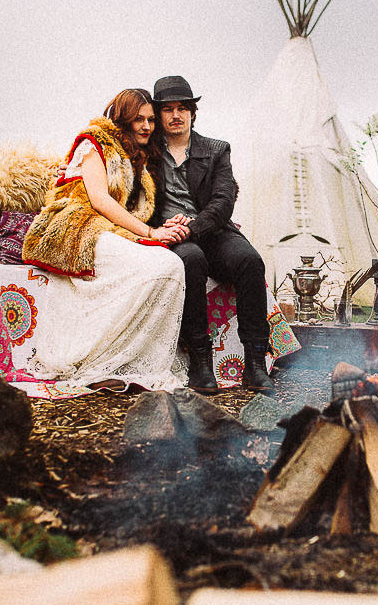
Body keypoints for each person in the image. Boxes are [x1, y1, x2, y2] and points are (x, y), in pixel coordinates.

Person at [17, 88, 191, 390]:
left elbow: (136, 206)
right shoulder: (94, 142)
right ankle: (96, 359)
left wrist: (168, 224)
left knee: (169, 265)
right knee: (163, 264)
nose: (147, 126)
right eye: (138, 119)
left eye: (151, 119)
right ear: (123, 118)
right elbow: (99, 199)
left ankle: (131, 360)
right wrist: (150, 233)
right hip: (76, 226)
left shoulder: (138, 157)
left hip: (108, 227)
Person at [149, 75, 275, 394]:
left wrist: (191, 227)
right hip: (169, 237)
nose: (176, 115)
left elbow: (223, 201)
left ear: (193, 112)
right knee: (190, 259)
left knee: (249, 261)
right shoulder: (146, 154)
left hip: (210, 229)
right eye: (168, 109)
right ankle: (201, 361)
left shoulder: (217, 150)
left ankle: (255, 362)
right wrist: (165, 231)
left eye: (183, 108)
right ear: (158, 114)